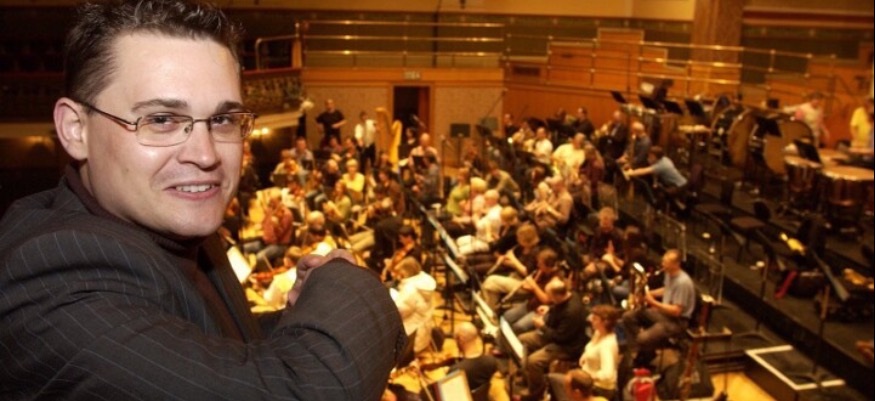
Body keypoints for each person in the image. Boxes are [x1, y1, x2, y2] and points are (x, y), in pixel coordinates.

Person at [0, 1, 404, 400]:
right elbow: (309, 392)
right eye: (161, 120)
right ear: (75, 129)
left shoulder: (165, 223)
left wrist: (306, 318)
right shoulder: (49, 277)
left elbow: (204, 351)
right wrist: (345, 283)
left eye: (222, 120)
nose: (206, 155)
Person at [622, 249, 696, 368]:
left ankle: (644, 354)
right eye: (663, 261)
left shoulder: (683, 283)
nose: (663, 264)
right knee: (628, 316)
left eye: (666, 262)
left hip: (676, 322)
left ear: (676, 264)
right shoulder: (669, 274)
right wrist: (648, 294)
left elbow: (676, 311)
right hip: (664, 314)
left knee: (642, 338)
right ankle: (646, 352)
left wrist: (653, 302)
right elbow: (666, 290)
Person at [519, 279, 588, 401]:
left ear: (557, 295)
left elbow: (560, 338)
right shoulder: (569, 295)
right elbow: (558, 306)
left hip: (567, 346)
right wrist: (549, 308)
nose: (548, 298)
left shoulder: (572, 312)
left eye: (550, 296)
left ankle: (537, 393)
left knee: (534, 361)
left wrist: (542, 326)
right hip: (555, 336)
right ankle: (527, 376)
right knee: (523, 339)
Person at [391, 256, 437, 354]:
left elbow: (398, 313)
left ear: (405, 273)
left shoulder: (410, 290)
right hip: (423, 330)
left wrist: (393, 297)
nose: (399, 277)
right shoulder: (424, 283)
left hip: (412, 335)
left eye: (401, 274)